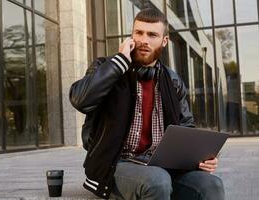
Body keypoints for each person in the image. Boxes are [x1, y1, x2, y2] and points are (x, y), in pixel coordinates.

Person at [69, 8, 225, 200]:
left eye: (152, 35)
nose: (144, 40)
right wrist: (119, 63)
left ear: (164, 41)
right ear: (131, 37)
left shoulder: (172, 80)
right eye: (139, 33)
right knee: (157, 181)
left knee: (212, 184)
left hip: (162, 164)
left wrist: (202, 158)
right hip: (115, 163)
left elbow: (186, 127)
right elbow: (79, 99)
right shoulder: (106, 68)